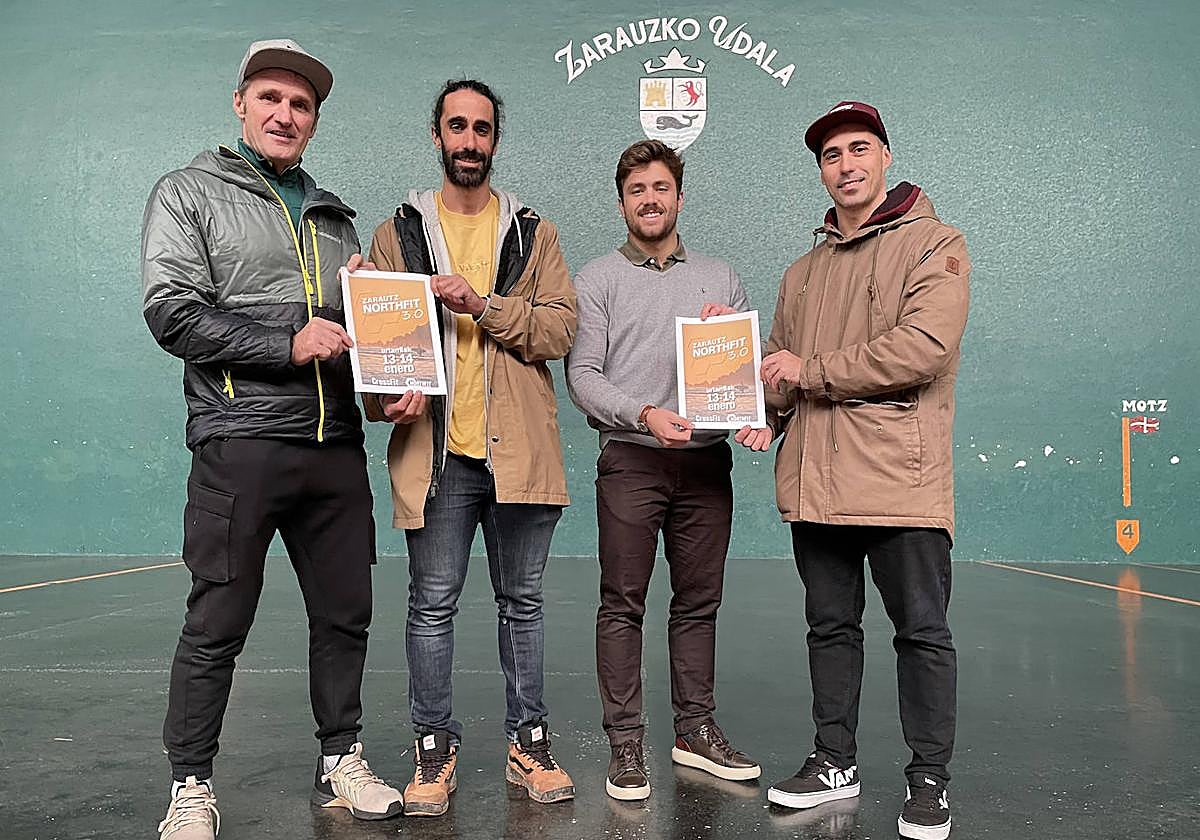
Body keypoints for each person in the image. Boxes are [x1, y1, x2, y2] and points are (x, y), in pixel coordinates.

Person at [141, 39, 403, 839]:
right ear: (241, 104)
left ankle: (340, 762)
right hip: (240, 441)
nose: (285, 115)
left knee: (346, 616)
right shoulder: (188, 193)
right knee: (217, 622)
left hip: (335, 447)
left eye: (301, 105)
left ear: (313, 121)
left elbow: (355, 337)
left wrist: (386, 385)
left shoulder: (335, 219)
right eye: (271, 99)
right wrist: (288, 342)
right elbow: (172, 313)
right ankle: (190, 786)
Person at [362, 78, 577, 816]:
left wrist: (482, 306)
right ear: (438, 136)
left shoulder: (534, 232)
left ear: (495, 140)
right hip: (438, 458)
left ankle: (529, 746)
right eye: (457, 126)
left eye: (482, 128)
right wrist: (385, 399)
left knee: (524, 604)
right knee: (431, 607)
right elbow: (375, 344)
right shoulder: (396, 235)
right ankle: (433, 749)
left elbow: (560, 330)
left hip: (518, 455)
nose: (469, 140)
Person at [757, 101, 970, 840]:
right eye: (831, 155)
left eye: (858, 149)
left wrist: (806, 372)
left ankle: (929, 780)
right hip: (817, 482)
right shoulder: (803, 271)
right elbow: (779, 368)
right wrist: (757, 402)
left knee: (921, 633)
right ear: (821, 171)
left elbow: (924, 349)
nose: (845, 165)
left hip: (900, 481)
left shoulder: (934, 243)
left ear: (885, 156)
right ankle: (833, 763)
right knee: (830, 629)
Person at [567, 139, 764, 802]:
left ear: (679, 196)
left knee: (699, 603)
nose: (649, 200)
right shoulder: (597, 280)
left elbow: (747, 370)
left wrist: (754, 410)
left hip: (707, 466)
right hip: (632, 460)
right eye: (636, 191)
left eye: (660, 188)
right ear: (621, 202)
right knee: (622, 603)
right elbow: (582, 376)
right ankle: (625, 743)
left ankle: (695, 731)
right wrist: (643, 414)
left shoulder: (720, 277)